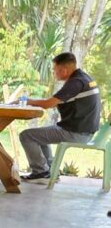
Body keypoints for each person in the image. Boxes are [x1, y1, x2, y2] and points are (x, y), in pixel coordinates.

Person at [18, 52, 101, 181]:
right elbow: (53, 102)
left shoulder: (75, 83)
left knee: (26, 136)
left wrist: (28, 101)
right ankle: (50, 172)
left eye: (54, 70)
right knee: (38, 136)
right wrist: (32, 101)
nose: (53, 73)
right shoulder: (84, 78)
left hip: (76, 133)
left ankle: (41, 172)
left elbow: (48, 104)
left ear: (63, 70)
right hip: (84, 131)